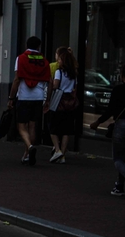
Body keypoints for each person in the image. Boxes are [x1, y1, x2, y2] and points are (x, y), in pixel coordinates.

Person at [90, 64, 125, 197]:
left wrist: (98, 122)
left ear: (122, 75)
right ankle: (119, 186)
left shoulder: (118, 90)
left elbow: (110, 110)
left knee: (118, 158)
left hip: (122, 126)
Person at [8, 36, 51, 165]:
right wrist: (47, 100)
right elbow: (49, 82)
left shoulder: (21, 58)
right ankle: (27, 154)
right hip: (38, 97)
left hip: (24, 97)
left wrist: (11, 97)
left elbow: (17, 79)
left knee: (21, 126)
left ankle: (30, 148)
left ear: (27, 45)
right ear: (39, 46)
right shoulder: (44, 61)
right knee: (33, 125)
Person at [47, 48, 77, 164]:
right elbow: (75, 87)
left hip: (59, 100)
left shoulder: (59, 72)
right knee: (66, 129)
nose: (58, 60)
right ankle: (63, 155)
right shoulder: (74, 73)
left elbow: (55, 86)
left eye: (59, 58)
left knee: (53, 126)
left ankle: (58, 149)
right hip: (70, 101)